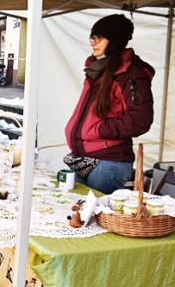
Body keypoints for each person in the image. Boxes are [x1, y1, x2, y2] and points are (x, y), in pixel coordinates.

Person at [64, 14, 154, 194]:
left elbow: (141, 119)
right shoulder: (96, 69)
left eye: (99, 37)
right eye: (92, 37)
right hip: (83, 157)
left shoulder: (130, 73)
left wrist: (99, 129)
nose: (93, 42)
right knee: (75, 212)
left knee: (96, 217)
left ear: (115, 40)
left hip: (110, 162)